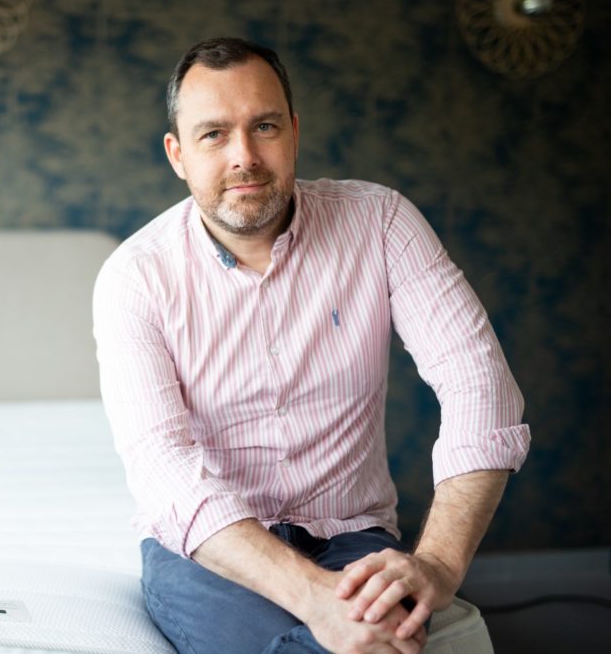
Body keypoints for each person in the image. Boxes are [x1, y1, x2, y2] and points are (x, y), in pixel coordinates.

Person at [92, 37, 530, 654]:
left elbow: (480, 385)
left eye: (263, 125)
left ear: (293, 131)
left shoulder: (381, 224)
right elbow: (163, 468)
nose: (244, 156)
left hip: (354, 535)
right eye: (213, 134)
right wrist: (314, 599)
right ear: (177, 154)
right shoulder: (134, 276)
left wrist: (436, 565)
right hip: (212, 551)